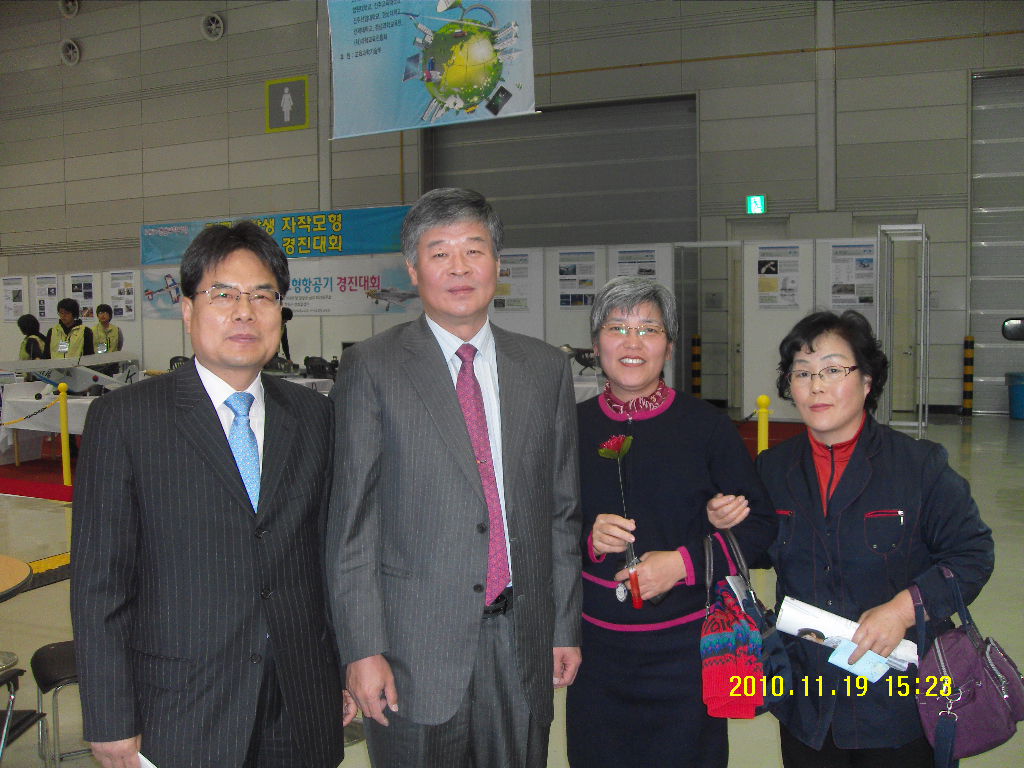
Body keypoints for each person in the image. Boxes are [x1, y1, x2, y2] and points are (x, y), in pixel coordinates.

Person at [71, 221, 353, 768]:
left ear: (280, 311)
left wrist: (342, 667)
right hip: (182, 707)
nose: (244, 312)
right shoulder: (125, 419)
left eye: (262, 296)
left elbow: (327, 557)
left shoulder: (315, 415)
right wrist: (109, 716)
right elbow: (99, 584)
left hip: (300, 701)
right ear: (187, 309)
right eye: (223, 295)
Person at [327, 187, 582, 768]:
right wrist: (361, 649)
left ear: (499, 264)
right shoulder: (372, 366)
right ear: (414, 269)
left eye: (474, 250)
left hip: (520, 643)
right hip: (410, 652)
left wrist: (564, 624)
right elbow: (351, 524)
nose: (459, 268)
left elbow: (562, 511)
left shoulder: (545, 368)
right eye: (439, 253)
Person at [713, 309, 994, 767]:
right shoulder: (773, 469)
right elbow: (757, 550)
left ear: (867, 381)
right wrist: (726, 522)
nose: (816, 386)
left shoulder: (918, 467)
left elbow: (972, 555)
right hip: (808, 695)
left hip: (901, 697)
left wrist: (902, 609)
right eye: (802, 373)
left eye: (832, 370)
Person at [565, 276, 776, 768]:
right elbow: (540, 526)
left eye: (649, 329)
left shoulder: (706, 426)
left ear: (670, 346)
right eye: (617, 328)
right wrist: (588, 539)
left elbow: (762, 529)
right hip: (596, 654)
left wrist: (682, 564)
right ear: (596, 344)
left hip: (686, 653)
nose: (633, 343)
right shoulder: (570, 425)